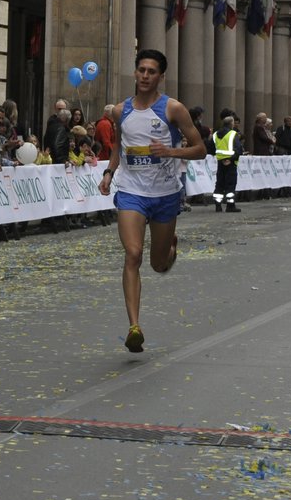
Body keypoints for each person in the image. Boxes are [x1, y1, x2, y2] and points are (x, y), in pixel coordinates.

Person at [97, 49, 206, 353]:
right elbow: (119, 146)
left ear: (160, 76)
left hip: (164, 195)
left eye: (151, 71)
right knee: (132, 254)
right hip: (131, 192)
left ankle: (170, 248)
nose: (145, 76)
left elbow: (200, 149)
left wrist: (172, 152)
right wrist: (108, 173)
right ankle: (134, 327)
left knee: (158, 265)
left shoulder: (173, 109)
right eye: (141, 70)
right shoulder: (120, 111)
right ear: (135, 73)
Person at [211, 109, 241, 213]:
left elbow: (211, 148)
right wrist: (230, 159)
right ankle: (230, 205)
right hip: (231, 163)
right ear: (231, 124)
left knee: (219, 184)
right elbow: (238, 149)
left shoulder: (215, 134)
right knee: (230, 184)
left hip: (220, 162)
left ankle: (218, 205)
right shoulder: (233, 134)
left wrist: (221, 158)